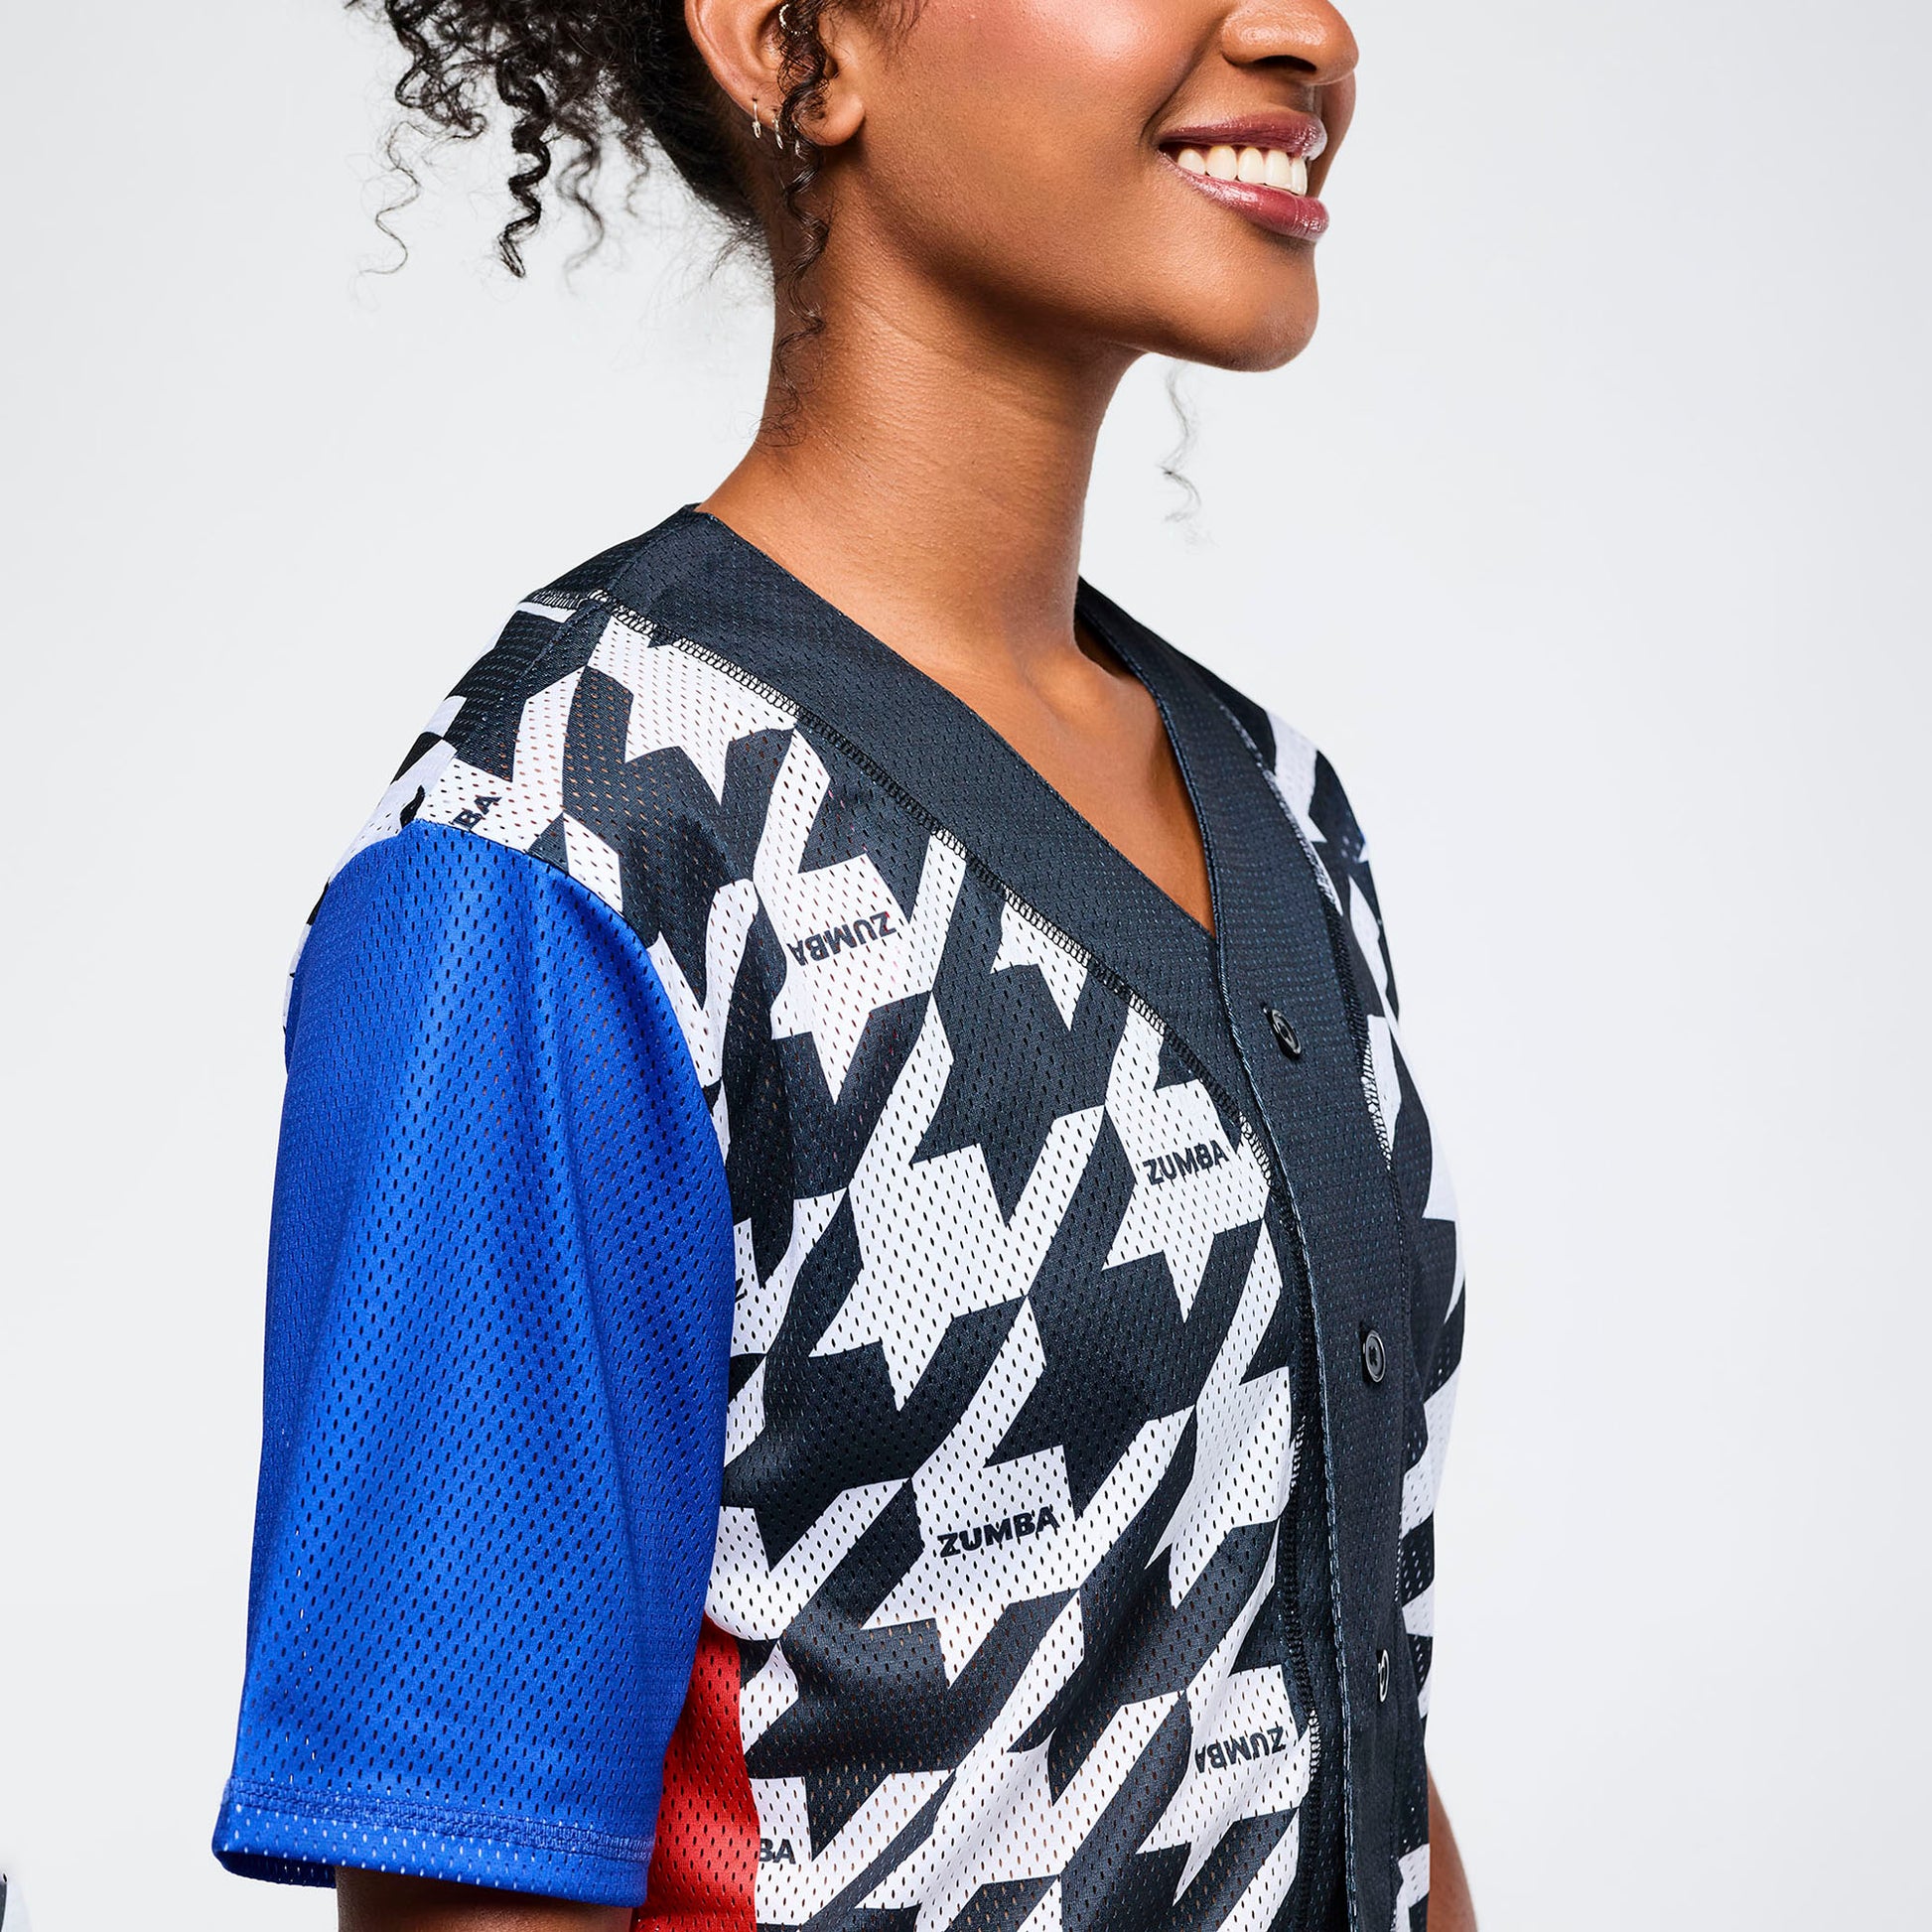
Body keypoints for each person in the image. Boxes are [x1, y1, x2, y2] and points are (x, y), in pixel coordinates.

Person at [211, 1, 1475, 1927]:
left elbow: (1336, 1690)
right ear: (783, 41)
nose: (1308, 30)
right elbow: (468, 1878)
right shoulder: (565, 851)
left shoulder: (1276, 802)